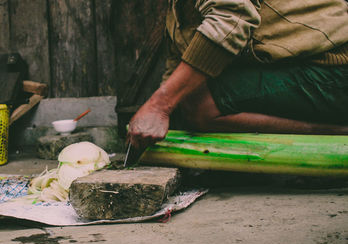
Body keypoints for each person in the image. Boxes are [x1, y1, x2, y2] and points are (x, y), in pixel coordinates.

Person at [127, 0, 348, 149]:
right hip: (308, 70)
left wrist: (159, 106)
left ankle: (337, 135)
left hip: (336, 71)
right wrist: (159, 113)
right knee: (189, 97)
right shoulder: (176, 13)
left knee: (199, 104)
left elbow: (231, 18)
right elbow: (178, 72)